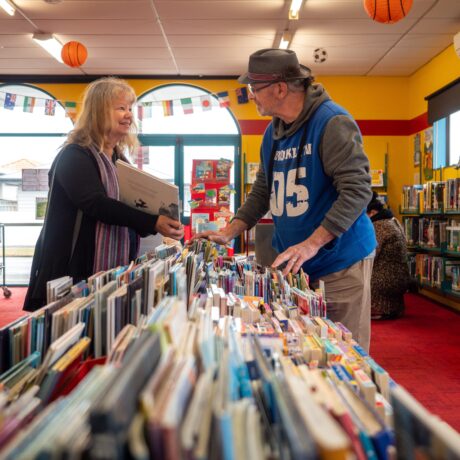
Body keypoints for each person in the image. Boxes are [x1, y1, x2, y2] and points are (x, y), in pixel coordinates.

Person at [195, 49, 376, 351]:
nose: (251, 95)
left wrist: (312, 243)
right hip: (297, 265)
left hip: (341, 261)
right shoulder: (273, 133)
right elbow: (263, 191)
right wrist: (229, 232)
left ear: (280, 88)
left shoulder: (332, 122)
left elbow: (357, 190)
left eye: (254, 88)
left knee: (345, 352)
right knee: (306, 349)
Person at [24, 77, 183, 311]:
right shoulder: (74, 155)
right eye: (121, 108)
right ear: (98, 112)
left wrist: (162, 222)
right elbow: (96, 204)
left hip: (110, 270)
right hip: (73, 270)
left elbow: (130, 208)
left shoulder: (118, 159)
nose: (129, 114)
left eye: (130, 108)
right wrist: (152, 221)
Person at [367, 192, 410, 319]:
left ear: (373, 213)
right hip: (399, 278)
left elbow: (370, 255)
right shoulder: (393, 221)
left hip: (385, 281)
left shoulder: (379, 226)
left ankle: (378, 310)